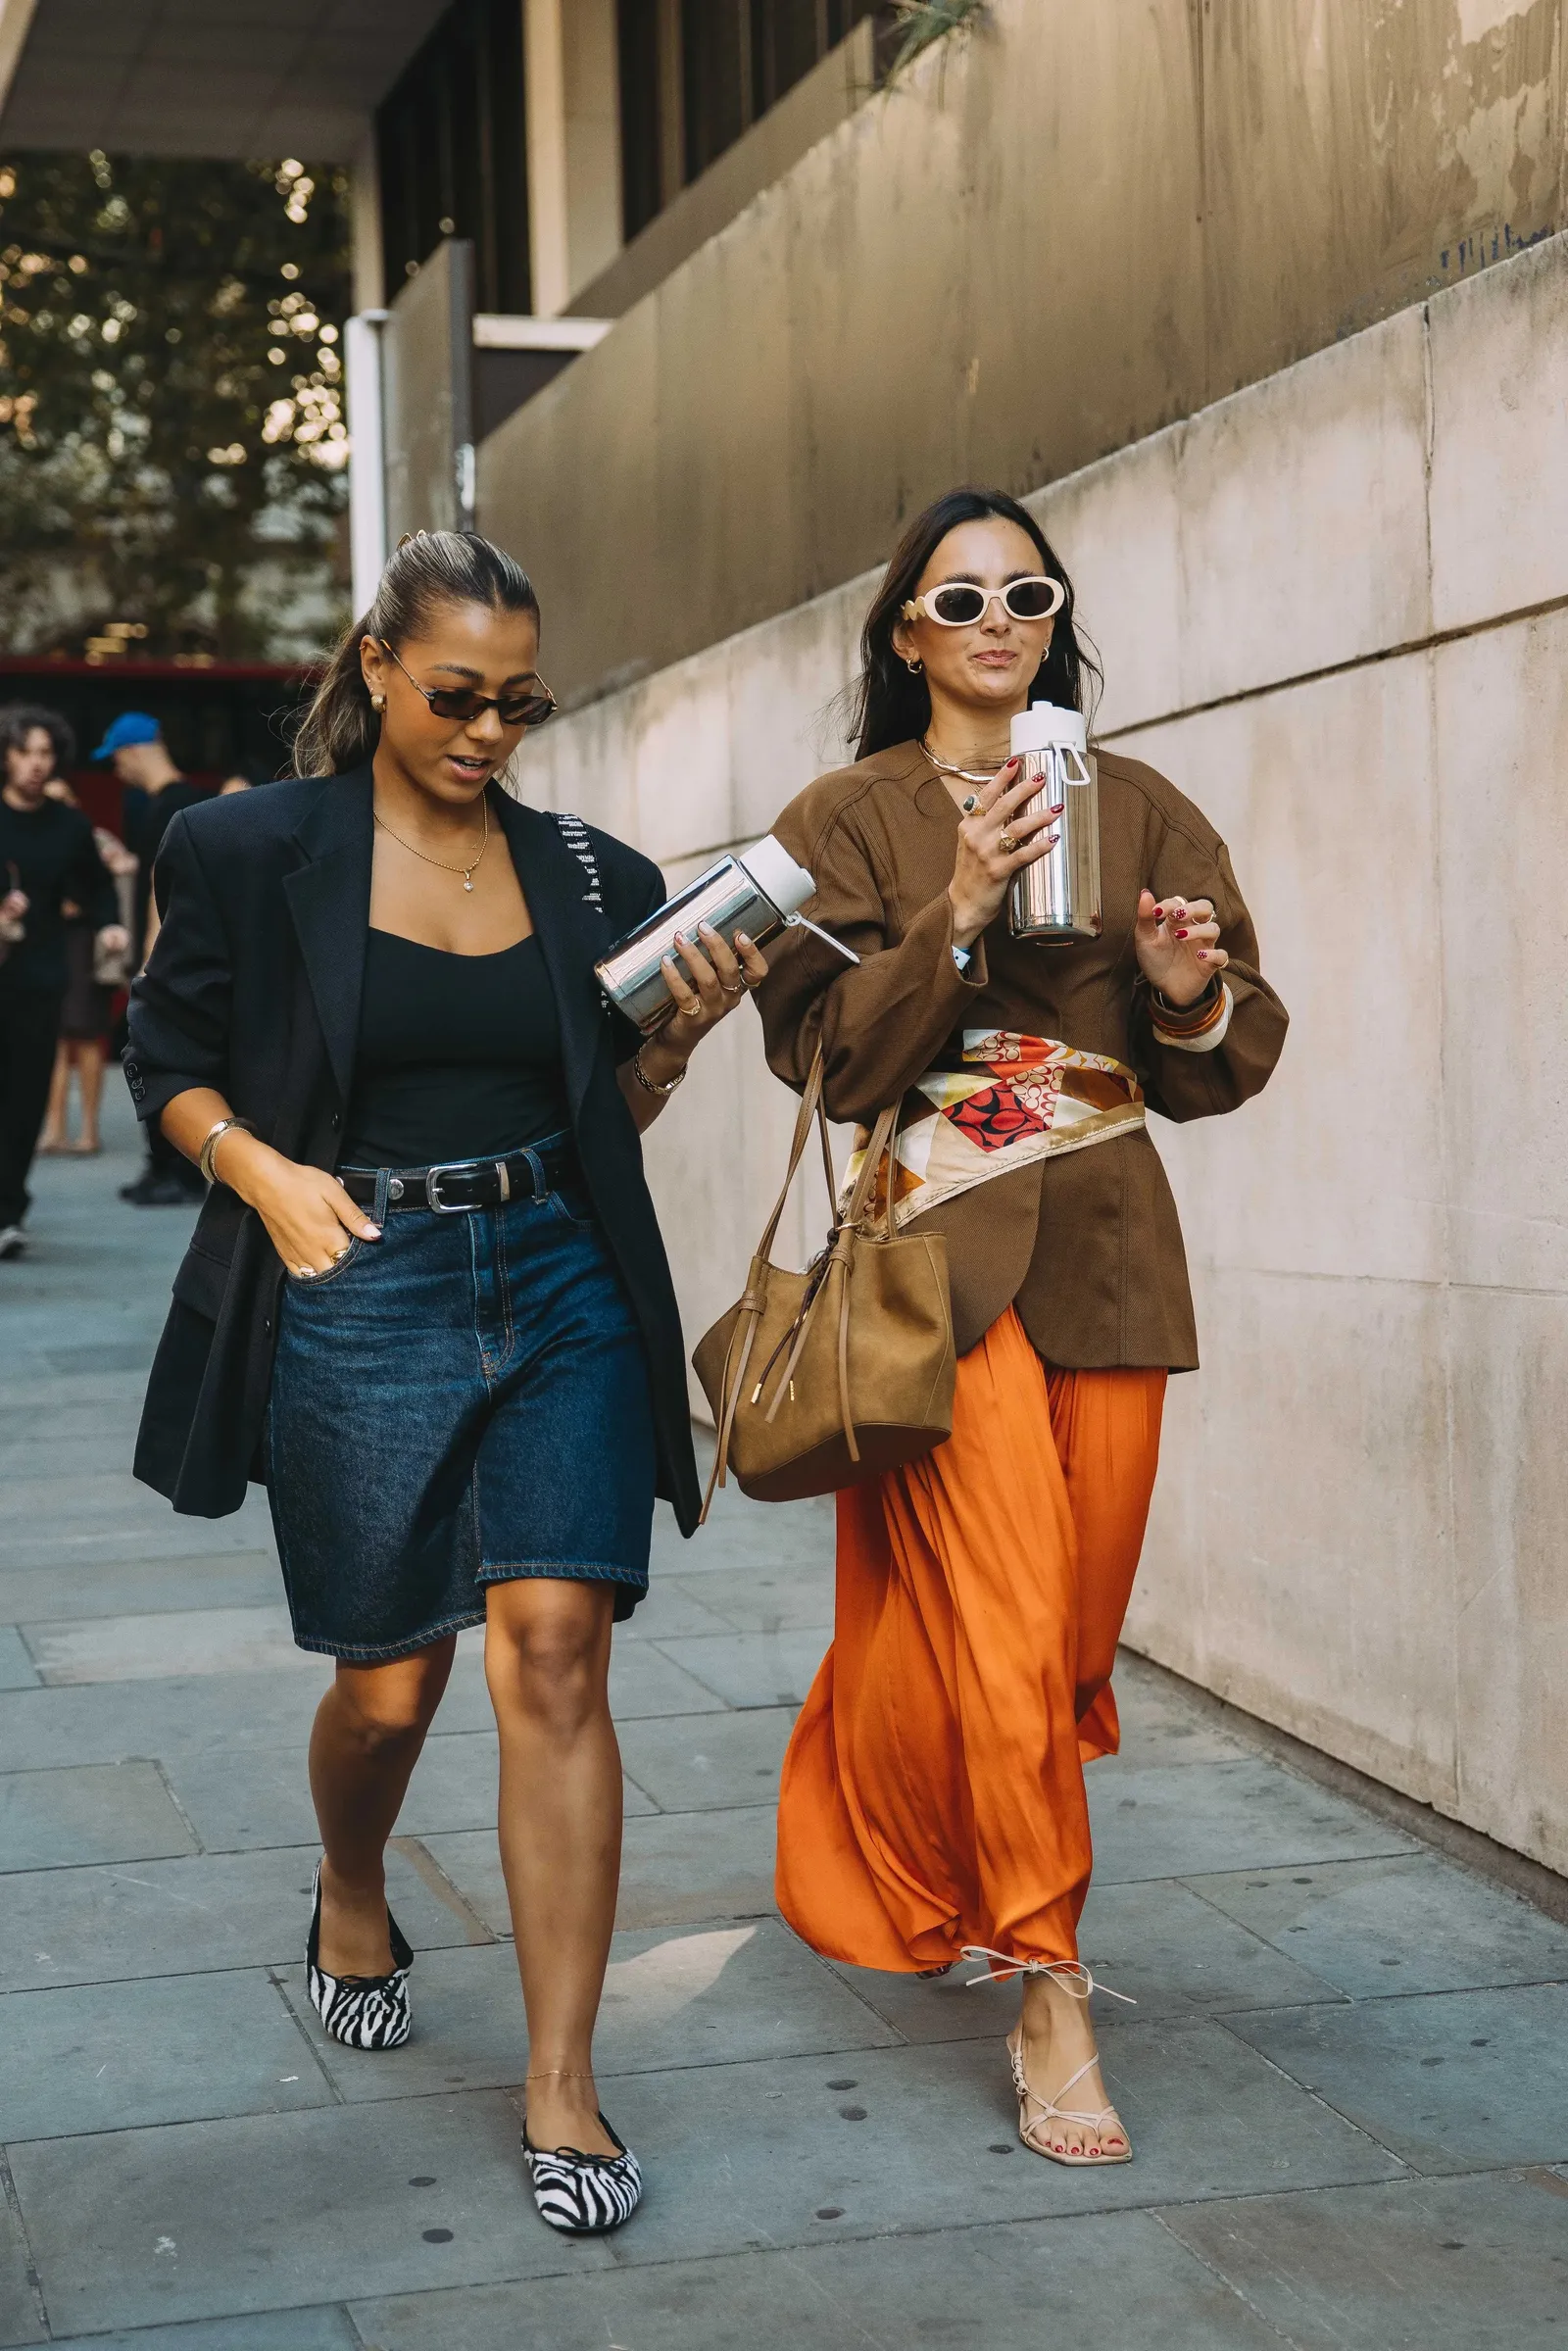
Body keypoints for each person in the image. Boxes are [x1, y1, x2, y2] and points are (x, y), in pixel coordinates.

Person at [123, 529, 764, 2236]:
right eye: (459, 694)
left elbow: (609, 1109)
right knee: (389, 1688)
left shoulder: (591, 870)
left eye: (520, 702)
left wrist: (681, 1032)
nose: (489, 730)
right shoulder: (249, 847)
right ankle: (353, 1879)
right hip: (361, 1277)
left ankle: (561, 2080)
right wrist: (261, 1172)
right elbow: (163, 1060)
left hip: (558, 1272)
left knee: (556, 1651)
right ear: (378, 664)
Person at [757, 487, 1288, 2167]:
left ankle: (887, 1804)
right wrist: (960, 907)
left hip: (1114, 1256)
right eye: (960, 596)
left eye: (1026, 594)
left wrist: (1190, 988)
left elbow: (1226, 1051)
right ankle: (1049, 1985)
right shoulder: (846, 816)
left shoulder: (1145, 805)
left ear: (1055, 621)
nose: (996, 620)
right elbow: (827, 1057)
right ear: (905, 632)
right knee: (997, 1619)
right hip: (937, 1265)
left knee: (1062, 1640)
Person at [0, 706, 127, 1256]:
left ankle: (8, 1211)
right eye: (24, 752)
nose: (36, 763)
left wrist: (110, 925)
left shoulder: (69, 825)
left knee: (26, 1096)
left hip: (39, 976)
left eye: (45, 753)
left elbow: (97, 886)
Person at [96, 711, 208, 1204]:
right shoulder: (190, 802)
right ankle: (172, 1166)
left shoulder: (168, 809)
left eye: (115, 758)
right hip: (184, 961)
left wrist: (147, 961)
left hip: (167, 963)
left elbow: (164, 891)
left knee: (153, 1060)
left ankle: (172, 1169)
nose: (116, 771)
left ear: (131, 751)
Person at [38, 783, 137, 1155]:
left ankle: (89, 1130)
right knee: (55, 1039)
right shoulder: (35, 838)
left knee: (85, 1035)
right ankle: (54, 1128)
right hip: (48, 943)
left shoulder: (92, 838)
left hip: (84, 946)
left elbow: (115, 882)